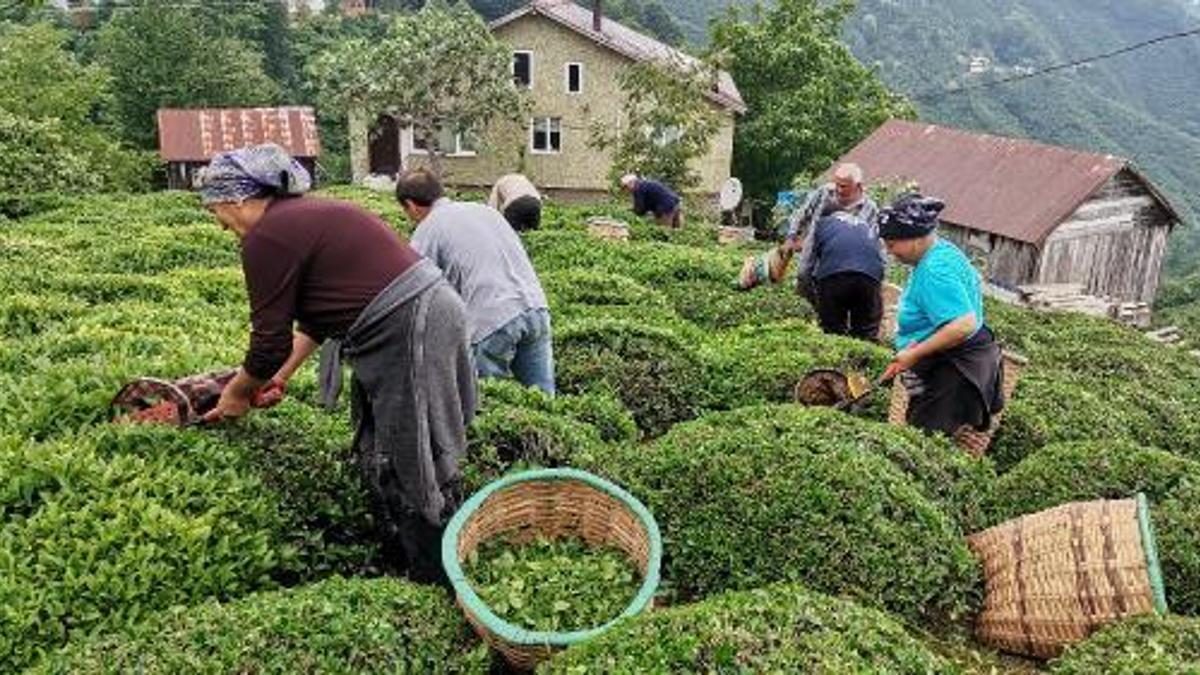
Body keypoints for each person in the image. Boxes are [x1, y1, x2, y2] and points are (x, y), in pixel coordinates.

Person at [198, 143, 476, 586]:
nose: (219, 223)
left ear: (238, 198)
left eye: (216, 210)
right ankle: (408, 558)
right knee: (389, 444)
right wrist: (281, 378)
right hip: (426, 314)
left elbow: (267, 344)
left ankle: (436, 578)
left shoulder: (266, 237)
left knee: (409, 454)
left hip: (410, 327)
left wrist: (236, 394)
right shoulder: (303, 217)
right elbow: (315, 320)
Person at [396, 169, 555, 395]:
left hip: (491, 319)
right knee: (544, 399)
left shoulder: (428, 228)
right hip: (537, 308)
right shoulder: (485, 212)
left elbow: (413, 287)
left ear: (411, 205)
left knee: (486, 404)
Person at [877, 193, 1004, 437]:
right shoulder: (942, 251)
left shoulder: (935, 269)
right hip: (948, 362)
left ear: (914, 238)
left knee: (925, 445)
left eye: (892, 244)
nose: (890, 251)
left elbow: (963, 325)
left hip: (954, 370)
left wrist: (914, 353)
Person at [786, 163, 880, 302]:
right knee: (803, 277)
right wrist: (791, 236)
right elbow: (802, 214)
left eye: (844, 186)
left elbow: (874, 241)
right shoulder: (824, 193)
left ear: (858, 186)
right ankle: (809, 310)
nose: (838, 190)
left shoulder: (869, 209)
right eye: (837, 184)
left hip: (843, 257)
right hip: (814, 248)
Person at [802, 210, 885, 341]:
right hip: (870, 276)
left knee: (832, 332)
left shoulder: (821, 224)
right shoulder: (865, 225)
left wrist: (809, 298)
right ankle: (867, 358)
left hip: (833, 275)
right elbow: (881, 258)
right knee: (866, 333)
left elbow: (806, 266)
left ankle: (837, 358)